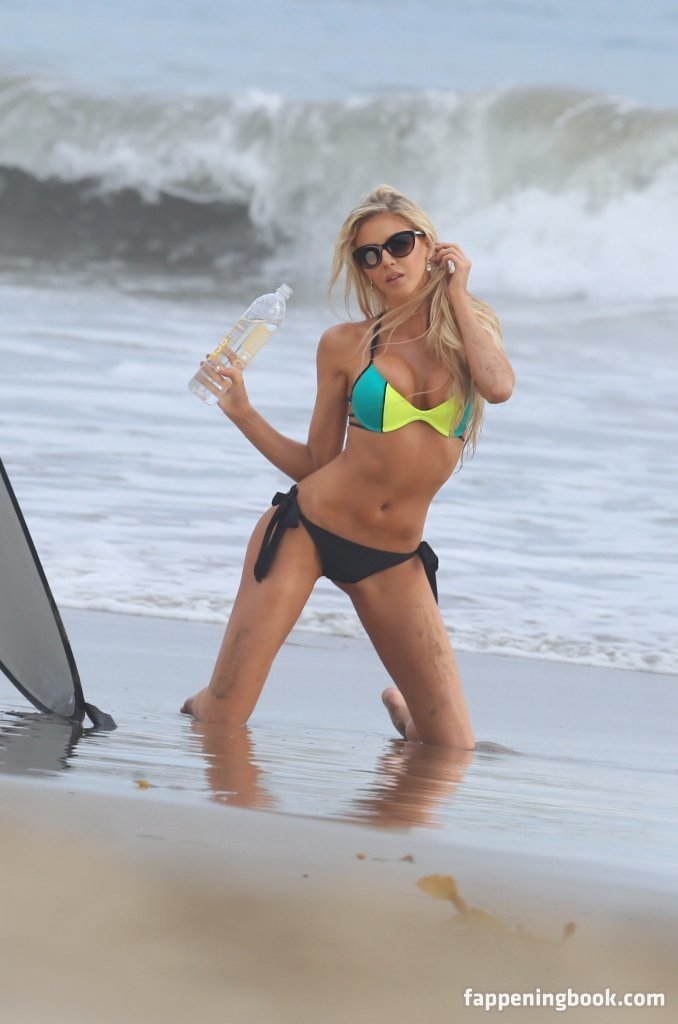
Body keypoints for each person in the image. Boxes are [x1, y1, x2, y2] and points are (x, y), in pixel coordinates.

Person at [181, 184, 515, 749]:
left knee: (451, 747)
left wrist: (456, 293)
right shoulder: (345, 345)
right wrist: (243, 412)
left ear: (429, 245)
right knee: (224, 719)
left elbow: (499, 386)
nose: (387, 261)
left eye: (399, 244)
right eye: (369, 255)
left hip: (393, 557)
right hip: (308, 530)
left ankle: (406, 713)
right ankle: (207, 699)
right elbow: (316, 463)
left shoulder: (471, 331)